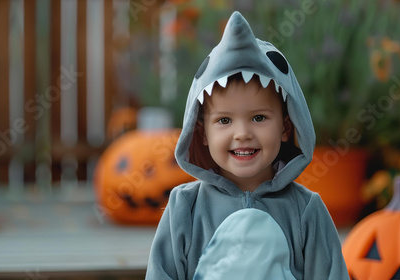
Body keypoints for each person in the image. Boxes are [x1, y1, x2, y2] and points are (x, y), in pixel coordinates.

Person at [146, 11, 349, 280]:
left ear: (286, 128)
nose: (242, 133)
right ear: (202, 132)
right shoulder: (185, 208)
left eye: (258, 117)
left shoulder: (306, 211)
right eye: (225, 120)